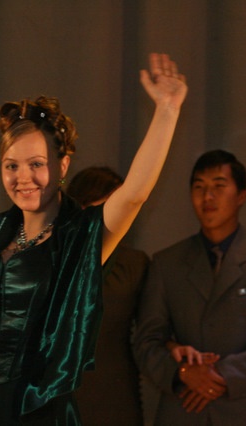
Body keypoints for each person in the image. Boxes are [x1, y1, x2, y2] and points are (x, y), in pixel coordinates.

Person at [0, 53, 188, 425]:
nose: (23, 178)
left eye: (37, 164)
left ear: (63, 165)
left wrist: (167, 110)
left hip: (35, 407)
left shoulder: (80, 236)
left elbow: (134, 194)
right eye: (11, 165)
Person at [133, 149, 246, 425]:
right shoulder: (166, 263)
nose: (207, 197)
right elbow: (146, 342)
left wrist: (220, 375)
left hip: (244, 409)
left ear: (241, 196)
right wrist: (184, 373)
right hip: (183, 410)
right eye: (199, 187)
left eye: (219, 186)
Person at [67, 166, 148, 426]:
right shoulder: (51, 260)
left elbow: (152, 331)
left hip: (114, 396)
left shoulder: (135, 264)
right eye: (102, 207)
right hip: (58, 394)